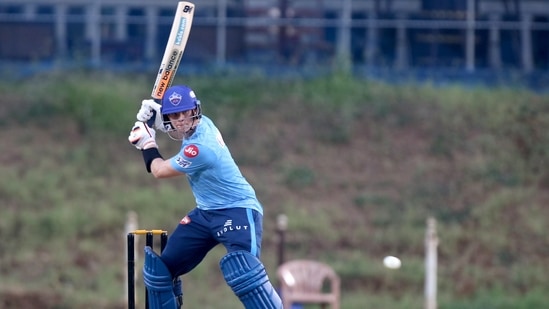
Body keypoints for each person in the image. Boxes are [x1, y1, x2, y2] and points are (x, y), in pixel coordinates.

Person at [128, 85, 282, 309]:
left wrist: (147, 142)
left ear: (194, 111)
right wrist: (155, 122)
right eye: (173, 115)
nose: (180, 120)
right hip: (205, 214)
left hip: (238, 210)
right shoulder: (201, 123)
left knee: (247, 275)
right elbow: (176, 128)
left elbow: (159, 170)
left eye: (184, 113)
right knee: (161, 273)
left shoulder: (201, 149)